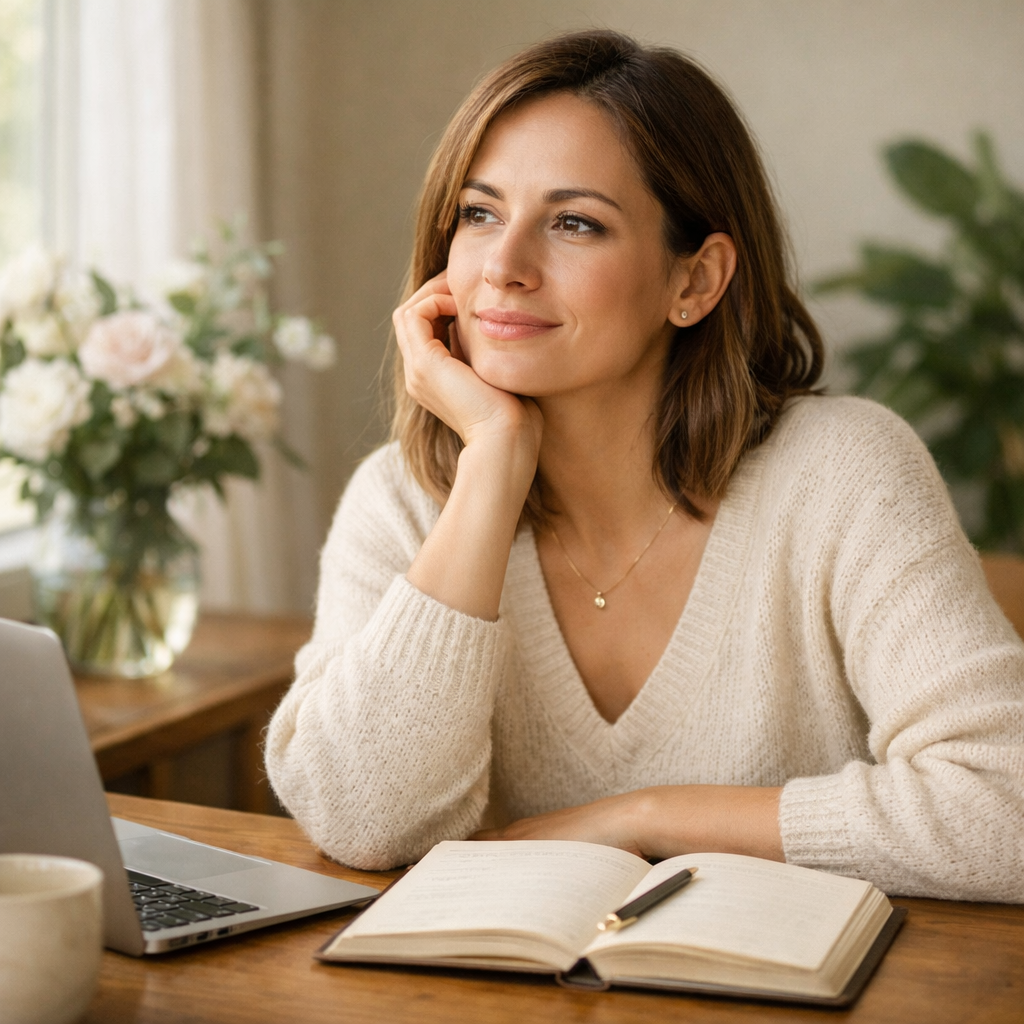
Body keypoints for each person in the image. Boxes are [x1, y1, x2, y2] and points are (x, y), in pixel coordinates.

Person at [265, 30, 1024, 900]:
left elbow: (1008, 807)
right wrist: (493, 466)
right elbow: (358, 821)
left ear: (695, 282)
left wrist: (647, 818)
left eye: (575, 223)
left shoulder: (843, 474)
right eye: (479, 213)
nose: (503, 269)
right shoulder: (399, 501)